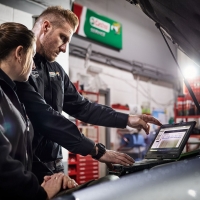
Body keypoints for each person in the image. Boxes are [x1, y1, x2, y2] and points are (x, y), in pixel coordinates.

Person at [15, 6, 162, 184]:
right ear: (46, 27)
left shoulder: (57, 71)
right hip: (28, 167)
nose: (64, 48)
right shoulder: (19, 66)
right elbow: (46, 118)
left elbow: (83, 107)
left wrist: (127, 119)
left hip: (56, 165)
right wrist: (98, 151)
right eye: (63, 38)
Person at [0, 22, 73, 200]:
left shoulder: (12, 94)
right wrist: (38, 192)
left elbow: (22, 153)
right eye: (31, 56)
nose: (33, 66)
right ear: (19, 53)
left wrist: (47, 177)